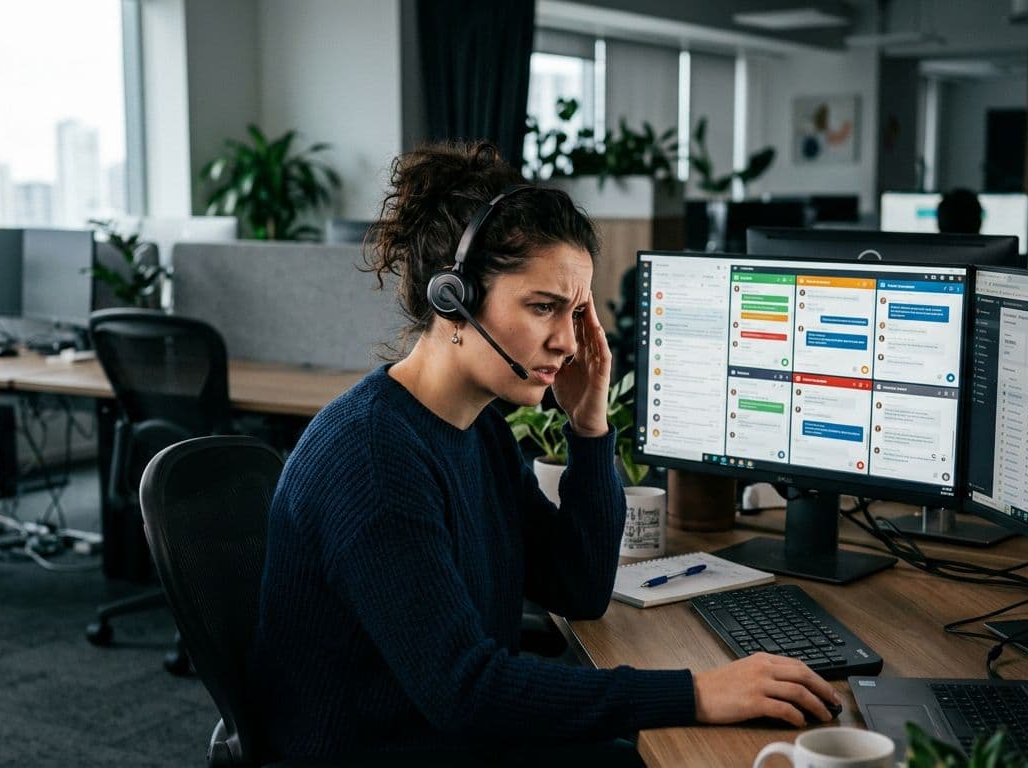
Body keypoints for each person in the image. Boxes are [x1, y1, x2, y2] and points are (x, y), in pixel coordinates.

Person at [250, 141, 838, 762]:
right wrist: (696, 692)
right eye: (542, 308)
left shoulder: (478, 431)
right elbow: (464, 690)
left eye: (576, 312)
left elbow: (579, 589)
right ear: (453, 299)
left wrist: (589, 425)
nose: (566, 341)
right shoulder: (374, 459)